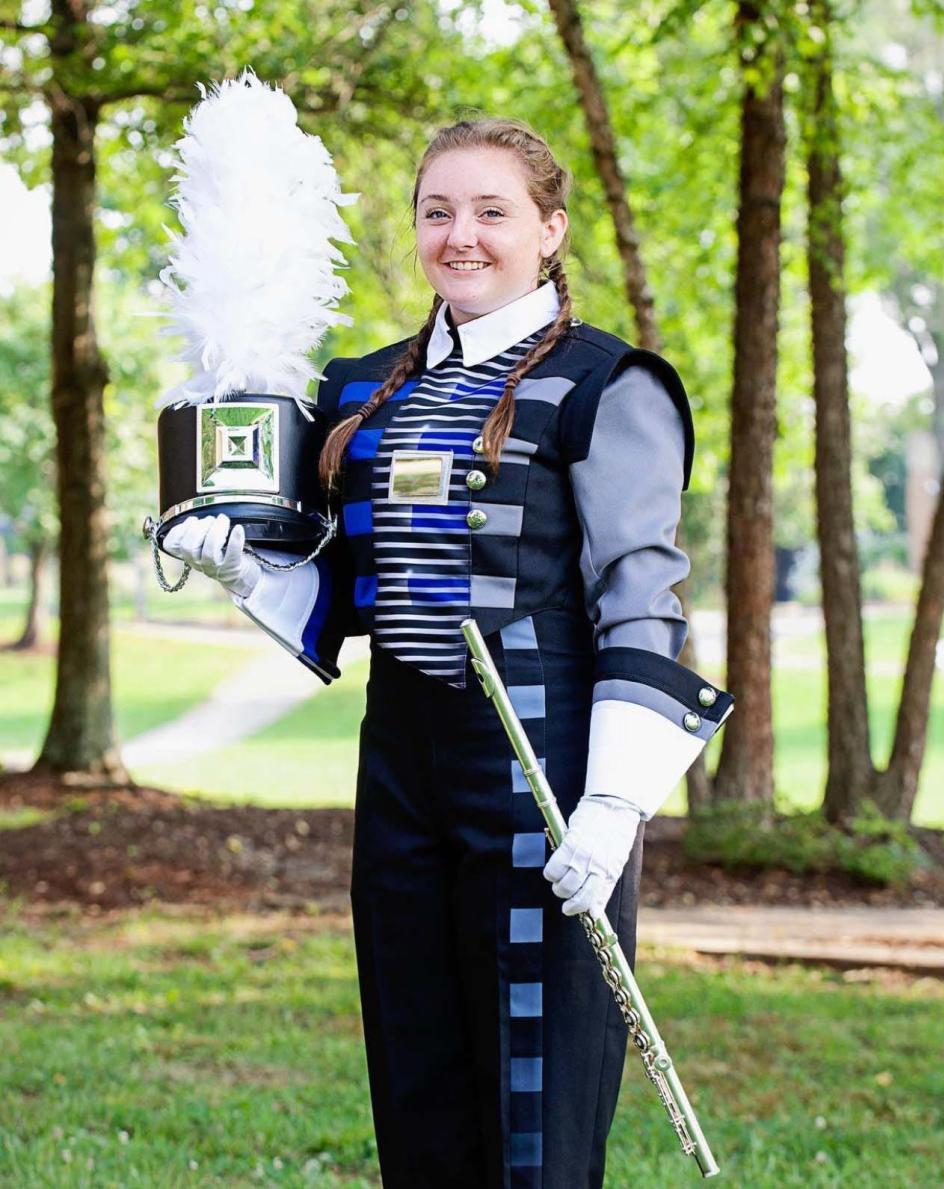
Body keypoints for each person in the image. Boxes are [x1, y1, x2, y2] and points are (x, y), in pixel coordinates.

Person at [164, 117, 733, 1189]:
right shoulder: (363, 390)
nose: (459, 235)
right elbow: (345, 596)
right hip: (403, 765)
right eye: (437, 211)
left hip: (549, 763)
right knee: (417, 1082)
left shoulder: (611, 386)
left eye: (491, 211)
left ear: (550, 230)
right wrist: (245, 572)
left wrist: (616, 806)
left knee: (537, 1103)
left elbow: (641, 600)